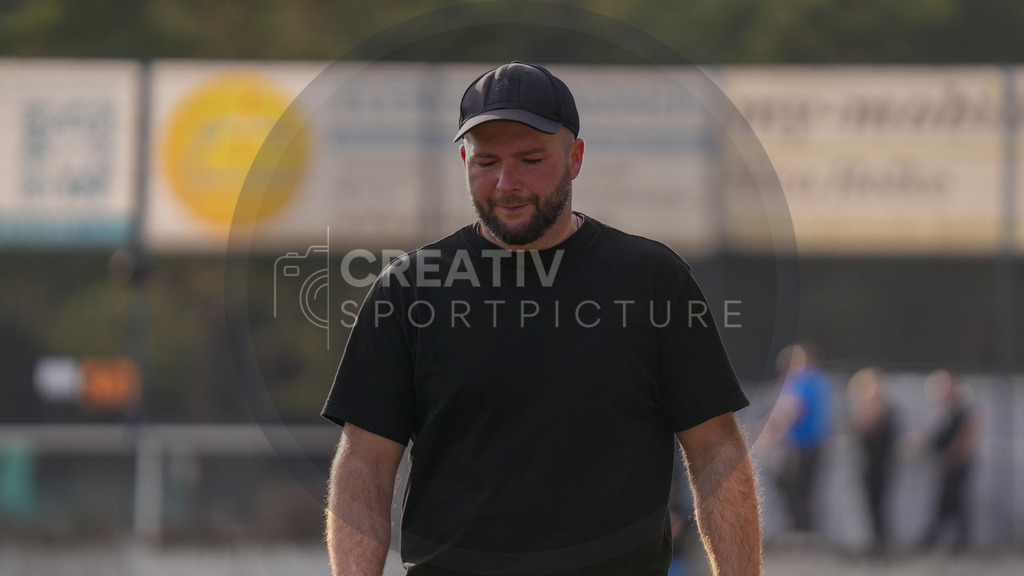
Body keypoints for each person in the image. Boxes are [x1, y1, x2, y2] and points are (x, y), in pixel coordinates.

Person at [322, 61, 761, 576]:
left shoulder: (653, 281)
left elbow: (716, 451)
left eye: (531, 159)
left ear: (575, 158)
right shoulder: (408, 291)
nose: (507, 183)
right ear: (463, 158)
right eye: (486, 162)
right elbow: (365, 466)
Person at [767, 343, 832, 537]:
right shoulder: (819, 379)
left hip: (804, 445)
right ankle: (803, 529)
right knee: (800, 487)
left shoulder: (804, 380)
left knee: (798, 488)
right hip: (811, 444)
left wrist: (771, 432)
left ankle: (801, 530)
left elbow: (792, 410)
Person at [921, 369, 978, 550]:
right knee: (948, 504)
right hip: (949, 463)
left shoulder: (962, 408)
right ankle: (942, 539)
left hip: (957, 463)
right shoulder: (946, 410)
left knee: (955, 503)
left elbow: (968, 430)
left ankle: (954, 541)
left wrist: (953, 455)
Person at [846, 367, 898, 551]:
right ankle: (877, 541)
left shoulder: (887, 411)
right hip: (868, 466)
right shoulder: (864, 413)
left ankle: (882, 542)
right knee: (871, 506)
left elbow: (888, 440)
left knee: (880, 505)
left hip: (882, 466)